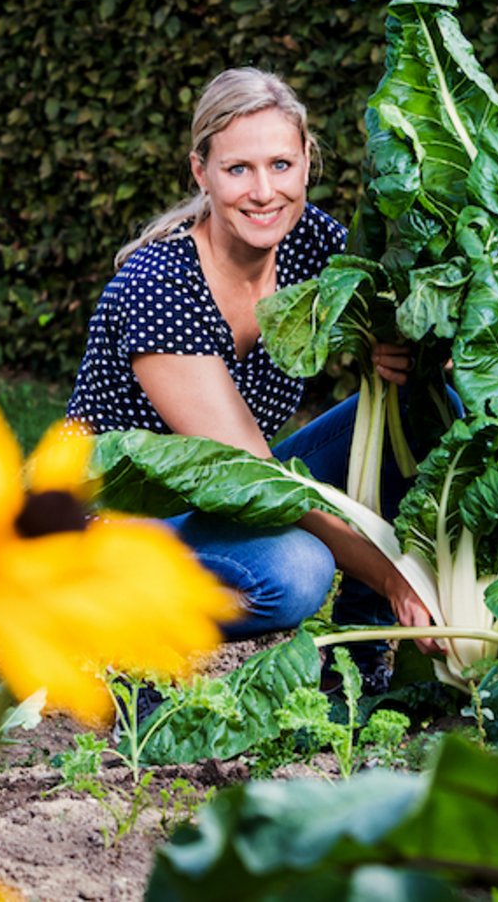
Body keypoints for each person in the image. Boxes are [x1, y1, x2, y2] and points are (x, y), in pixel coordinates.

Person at [67, 67, 438, 694]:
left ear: (305, 164)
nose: (264, 192)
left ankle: (370, 647)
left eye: (281, 166)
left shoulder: (309, 241)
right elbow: (256, 473)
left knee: (426, 404)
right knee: (295, 570)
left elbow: (394, 309)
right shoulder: (159, 287)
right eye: (239, 169)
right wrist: (397, 576)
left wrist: (399, 347)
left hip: (224, 500)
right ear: (201, 172)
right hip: (119, 526)